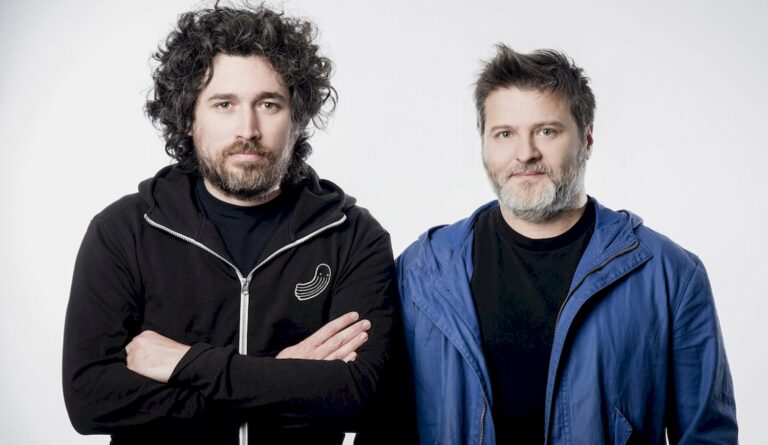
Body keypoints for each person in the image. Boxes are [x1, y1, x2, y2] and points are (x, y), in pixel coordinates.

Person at [63, 4, 410, 444]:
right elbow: (90, 401)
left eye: (269, 104)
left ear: (298, 117)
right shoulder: (124, 231)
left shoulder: (352, 235)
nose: (248, 129)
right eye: (224, 104)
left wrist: (188, 364)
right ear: (189, 117)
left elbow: (362, 396)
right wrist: (283, 379)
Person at [397, 45, 737, 444]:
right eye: (505, 134)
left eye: (546, 131)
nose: (526, 154)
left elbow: (707, 436)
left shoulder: (670, 274)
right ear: (484, 142)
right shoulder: (422, 271)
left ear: (587, 138)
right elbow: (386, 430)